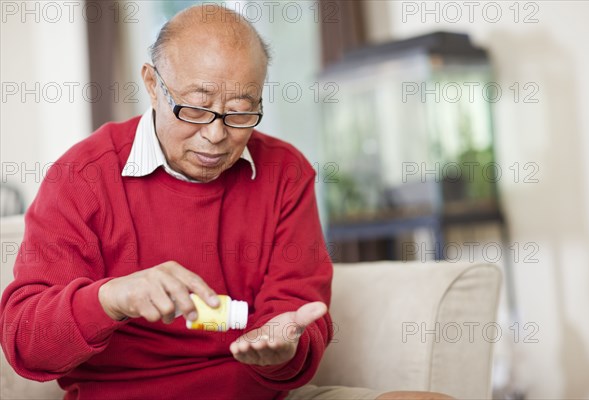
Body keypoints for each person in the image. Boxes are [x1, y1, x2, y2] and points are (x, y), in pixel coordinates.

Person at [0, 5, 453, 400]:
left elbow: (297, 313)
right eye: (195, 108)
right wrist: (110, 298)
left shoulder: (284, 173)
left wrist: (282, 350)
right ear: (153, 86)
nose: (217, 135)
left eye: (240, 111)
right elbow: (24, 340)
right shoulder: (82, 176)